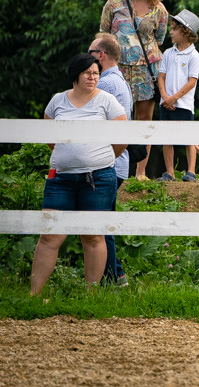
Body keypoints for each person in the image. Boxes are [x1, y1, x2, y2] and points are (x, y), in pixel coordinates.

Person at [30, 54, 128, 295]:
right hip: (60, 179)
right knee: (50, 236)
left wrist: (99, 158)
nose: (93, 77)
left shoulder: (107, 101)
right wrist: (69, 156)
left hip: (98, 179)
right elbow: (49, 135)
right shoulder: (57, 101)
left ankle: (90, 295)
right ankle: (34, 295)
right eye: (88, 73)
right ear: (75, 75)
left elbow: (124, 137)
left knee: (93, 237)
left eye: (96, 73)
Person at [100, 0, 168, 180]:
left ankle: (140, 173)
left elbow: (159, 39)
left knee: (143, 121)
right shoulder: (114, 3)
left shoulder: (159, 9)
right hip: (116, 70)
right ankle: (110, 168)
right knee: (113, 117)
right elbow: (103, 35)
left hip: (145, 72)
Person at [88, 33, 134, 287]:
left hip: (109, 161)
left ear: (101, 55)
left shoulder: (106, 84)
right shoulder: (120, 81)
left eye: (90, 52)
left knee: (100, 225)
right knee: (101, 222)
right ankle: (115, 274)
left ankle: (113, 276)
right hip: (117, 161)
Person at [157, 10, 199, 182]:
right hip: (166, 102)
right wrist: (165, 97)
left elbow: (191, 82)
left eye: (175, 29)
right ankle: (169, 172)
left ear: (186, 32)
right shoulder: (168, 53)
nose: (171, 32)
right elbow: (161, 77)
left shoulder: (194, 56)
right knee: (166, 137)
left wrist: (174, 98)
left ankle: (191, 172)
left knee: (188, 137)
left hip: (183, 104)